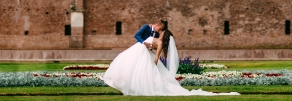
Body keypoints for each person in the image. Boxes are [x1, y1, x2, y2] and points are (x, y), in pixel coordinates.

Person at [102, 20, 239, 96]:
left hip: (144, 54)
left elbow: (157, 54)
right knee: (129, 67)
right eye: (160, 29)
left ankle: (132, 87)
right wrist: (145, 44)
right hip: (140, 50)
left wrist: (154, 62)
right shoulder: (151, 32)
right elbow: (139, 36)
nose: (159, 32)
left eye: (161, 31)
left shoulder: (159, 40)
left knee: (139, 73)